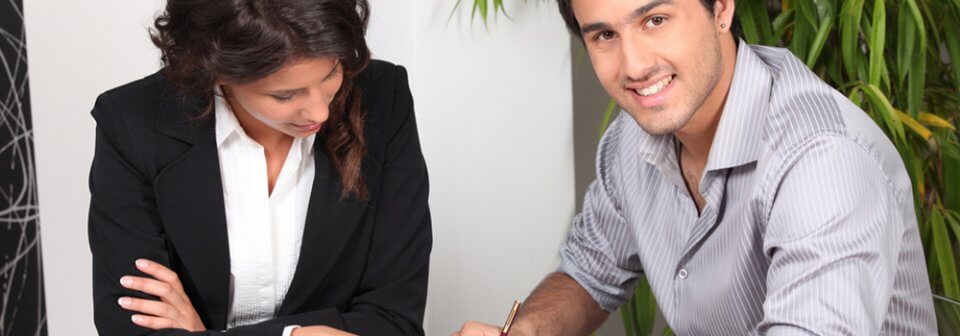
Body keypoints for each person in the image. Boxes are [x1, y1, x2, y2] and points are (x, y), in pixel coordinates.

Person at [455, 0, 937, 334]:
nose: (634, 65)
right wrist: (523, 331)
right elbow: (589, 272)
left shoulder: (822, 162)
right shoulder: (630, 138)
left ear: (721, 8)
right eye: (604, 35)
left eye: (655, 20)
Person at [87, 0, 431, 335]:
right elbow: (129, 327)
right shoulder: (131, 121)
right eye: (285, 96)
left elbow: (394, 319)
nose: (319, 112)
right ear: (216, 72)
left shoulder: (385, 95)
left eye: (331, 73)